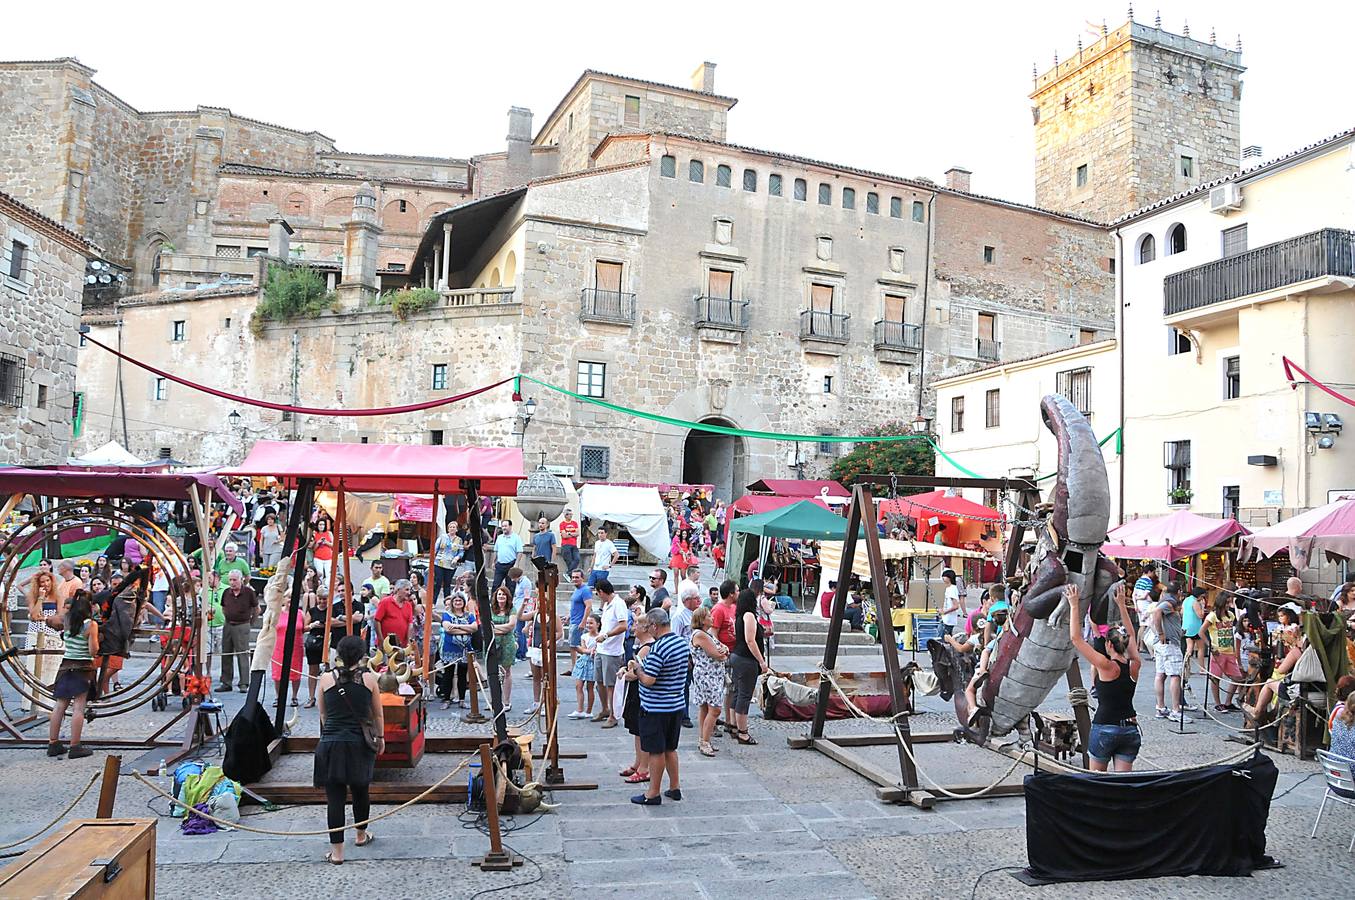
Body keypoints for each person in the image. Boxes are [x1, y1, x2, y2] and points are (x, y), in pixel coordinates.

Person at [315, 635, 383, 864]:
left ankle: (337, 853)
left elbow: (323, 714)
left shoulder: (325, 679)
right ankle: (361, 835)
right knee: (361, 789)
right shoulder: (370, 679)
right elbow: (377, 714)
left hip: (331, 741)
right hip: (358, 743)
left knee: (335, 798)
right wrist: (380, 737)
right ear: (362, 655)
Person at [1068, 583, 1142, 772]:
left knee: (1098, 782)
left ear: (1108, 644)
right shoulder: (1134, 665)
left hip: (1105, 727)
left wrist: (1074, 605)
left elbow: (1076, 639)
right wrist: (1122, 606)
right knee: (1123, 785)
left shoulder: (1106, 665)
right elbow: (1132, 635)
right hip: (1129, 729)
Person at [629, 608, 690, 805]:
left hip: (656, 708)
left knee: (656, 751)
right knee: (671, 748)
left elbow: (648, 680)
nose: (648, 630)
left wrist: (638, 669)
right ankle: (675, 787)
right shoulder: (681, 642)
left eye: (648, 627)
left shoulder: (658, 648)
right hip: (676, 704)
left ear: (655, 625)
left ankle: (652, 793)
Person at [47, 590, 99, 759]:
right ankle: (75, 746)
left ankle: (53, 743)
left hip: (65, 665)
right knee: (79, 706)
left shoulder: (67, 621)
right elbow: (93, 649)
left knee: (60, 705)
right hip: (83, 667)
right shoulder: (90, 625)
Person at [619, 615, 655, 786]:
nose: (633, 627)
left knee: (641, 730)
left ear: (645, 627)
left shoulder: (647, 647)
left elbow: (636, 673)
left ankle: (644, 767)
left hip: (641, 692)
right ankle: (638, 763)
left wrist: (626, 674)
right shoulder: (641, 645)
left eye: (636, 624)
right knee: (636, 730)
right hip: (636, 692)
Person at [689, 605, 729, 757]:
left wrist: (723, 651)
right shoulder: (701, 635)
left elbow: (723, 648)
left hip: (710, 675)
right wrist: (723, 653)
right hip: (708, 676)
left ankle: (703, 739)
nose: (712, 618)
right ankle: (705, 741)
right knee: (715, 709)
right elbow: (717, 654)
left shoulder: (707, 634)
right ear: (702, 620)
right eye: (709, 616)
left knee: (705, 708)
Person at [1149, 587, 1192, 722]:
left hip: (1163, 644)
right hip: (1169, 644)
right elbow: (1157, 612)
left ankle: (1160, 707)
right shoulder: (1169, 603)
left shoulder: (1166, 601)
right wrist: (1161, 633)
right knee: (1175, 675)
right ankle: (1175, 710)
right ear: (1179, 592)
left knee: (1160, 674)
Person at [24, 568, 63, 710]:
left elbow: (60, 616)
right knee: (33, 665)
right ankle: (30, 701)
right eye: (42, 582)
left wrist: (45, 618)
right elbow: (34, 615)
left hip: (51, 632)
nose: (46, 584)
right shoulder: (33, 596)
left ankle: (48, 701)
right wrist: (40, 598)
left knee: (50, 667)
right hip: (35, 633)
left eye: (48, 581)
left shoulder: (57, 596)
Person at [593, 579, 627, 728]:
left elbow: (623, 625)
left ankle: (614, 715)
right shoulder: (607, 604)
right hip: (602, 648)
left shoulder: (618, 604)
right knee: (599, 682)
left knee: (610, 685)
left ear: (601, 591)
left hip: (612, 651)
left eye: (598, 593)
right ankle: (605, 709)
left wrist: (606, 635)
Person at [218, 568, 258, 692]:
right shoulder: (226, 592)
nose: (232, 582)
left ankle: (244, 683)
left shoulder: (248, 592)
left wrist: (250, 622)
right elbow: (224, 608)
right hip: (228, 624)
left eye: (234, 580)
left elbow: (256, 609)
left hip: (242, 625)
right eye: (230, 580)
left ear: (241, 580)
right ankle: (226, 682)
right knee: (226, 653)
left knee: (242, 654)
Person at [1202, 593, 1242, 712]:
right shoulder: (1212, 616)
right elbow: (1201, 631)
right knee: (1216, 678)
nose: (1229, 605)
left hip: (1229, 650)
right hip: (1218, 651)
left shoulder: (1231, 615)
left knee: (1237, 677)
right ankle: (1218, 703)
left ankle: (1228, 702)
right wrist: (1210, 646)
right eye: (1227, 603)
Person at [437, 592, 476, 709]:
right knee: (448, 674)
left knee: (462, 675)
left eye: (460, 601)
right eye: (455, 601)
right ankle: (447, 699)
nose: (458, 603)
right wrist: (466, 629)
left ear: (463, 602)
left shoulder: (469, 615)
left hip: (464, 650)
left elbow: (474, 628)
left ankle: (462, 699)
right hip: (450, 649)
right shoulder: (446, 614)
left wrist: (457, 626)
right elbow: (448, 629)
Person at [710, 579, 739, 734]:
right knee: (718, 689)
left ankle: (729, 720)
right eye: (737, 590)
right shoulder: (718, 609)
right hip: (723, 655)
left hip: (734, 653)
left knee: (731, 689)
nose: (739, 593)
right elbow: (713, 633)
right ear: (730, 594)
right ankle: (712, 723)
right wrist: (721, 650)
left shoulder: (734, 607)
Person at [487, 585, 520, 710]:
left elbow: (511, 626)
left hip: (507, 642)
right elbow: (487, 626)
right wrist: (501, 628)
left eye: (504, 594)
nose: (501, 597)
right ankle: (493, 700)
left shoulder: (512, 609)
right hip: (493, 642)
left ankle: (506, 701)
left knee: (506, 671)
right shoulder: (491, 609)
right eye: (499, 594)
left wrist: (495, 628)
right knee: (492, 671)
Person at [272, 594, 306, 709]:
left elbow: (304, 628)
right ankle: (278, 697)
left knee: (295, 671)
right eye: (288, 597)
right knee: (278, 673)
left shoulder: (300, 614)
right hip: (279, 646)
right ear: (283, 599)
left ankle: (294, 696)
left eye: (293, 597)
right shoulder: (277, 613)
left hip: (295, 646)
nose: (290, 599)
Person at [303, 589, 331, 708]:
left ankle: (328, 697)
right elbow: (304, 627)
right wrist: (312, 625)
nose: (322, 601)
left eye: (324, 599)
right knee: (312, 671)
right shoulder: (312, 611)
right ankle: (311, 697)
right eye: (320, 598)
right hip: (314, 642)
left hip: (327, 641)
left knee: (329, 671)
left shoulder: (331, 610)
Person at [569, 613, 600, 719]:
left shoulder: (600, 637)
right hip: (583, 662)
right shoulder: (584, 636)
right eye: (587, 623)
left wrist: (592, 651)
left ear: (598, 624)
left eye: (591, 623)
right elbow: (582, 649)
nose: (588, 625)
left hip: (593, 662)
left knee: (590, 687)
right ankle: (580, 709)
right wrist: (588, 651)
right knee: (578, 685)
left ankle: (589, 710)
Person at [372, 579, 416, 648]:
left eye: (409, 590)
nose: (409, 592)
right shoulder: (385, 602)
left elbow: (410, 625)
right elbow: (377, 620)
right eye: (407, 590)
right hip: (385, 644)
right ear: (398, 590)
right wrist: (380, 639)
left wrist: (408, 642)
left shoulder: (408, 605)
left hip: (401, 645)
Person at [1182, 586, 1207, 698]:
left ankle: (1186, 668)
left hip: (1186, 625)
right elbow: (1200, 615)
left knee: (1189, 647)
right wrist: (1203, 606)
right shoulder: (1195, 602)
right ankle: (1202, 668)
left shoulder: (1186, 600)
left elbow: (1182, 612)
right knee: (1201, 647)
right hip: (1195, 626)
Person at [490, 523, 523, 593]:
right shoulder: (499, 538)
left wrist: (516, 564)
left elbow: (520, 552)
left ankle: (509, 603)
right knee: (496, 585)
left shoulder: (516, 537)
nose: (504, 528)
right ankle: (493, 602)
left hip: (511, 565)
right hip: (500, 565)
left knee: (510, 586)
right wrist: (493, 562)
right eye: (502, 526)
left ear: (510, 526)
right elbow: (496, 550)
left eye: (505, 526)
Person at [940, 570, 964, 637]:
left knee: (942, 638)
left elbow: (956, 606)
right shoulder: (948, 588)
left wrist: (945, 612)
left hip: (948, 619)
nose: (943, 578)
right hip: (946, 619)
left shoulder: (952, 589)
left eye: (944, 576)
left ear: (949, 578)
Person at [558, 509, 581, 577]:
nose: (571, 516)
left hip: (574, 544)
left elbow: (577, 533)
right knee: (569, 561)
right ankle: (570, 575)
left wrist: (569, 533)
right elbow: (564, 535)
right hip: (565, 545)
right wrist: (572, 534)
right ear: (566, 515)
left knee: (577, 559)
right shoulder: (562, 524)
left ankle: (568, 573)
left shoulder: (574, 523)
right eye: (569, 514)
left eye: (571, 514)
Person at [311, 519, 335, 583]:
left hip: (328, 558)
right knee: (320, 574)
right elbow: (313, 549)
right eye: (320, 525)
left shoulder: (329, 533)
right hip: (318, 558)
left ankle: (328, 588)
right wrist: (318, 543)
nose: (322, 526)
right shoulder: (314, 533)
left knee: (328, 575)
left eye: (323, 525)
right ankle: (320, 588)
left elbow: (334, 546)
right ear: (317, 525)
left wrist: (326, 542)